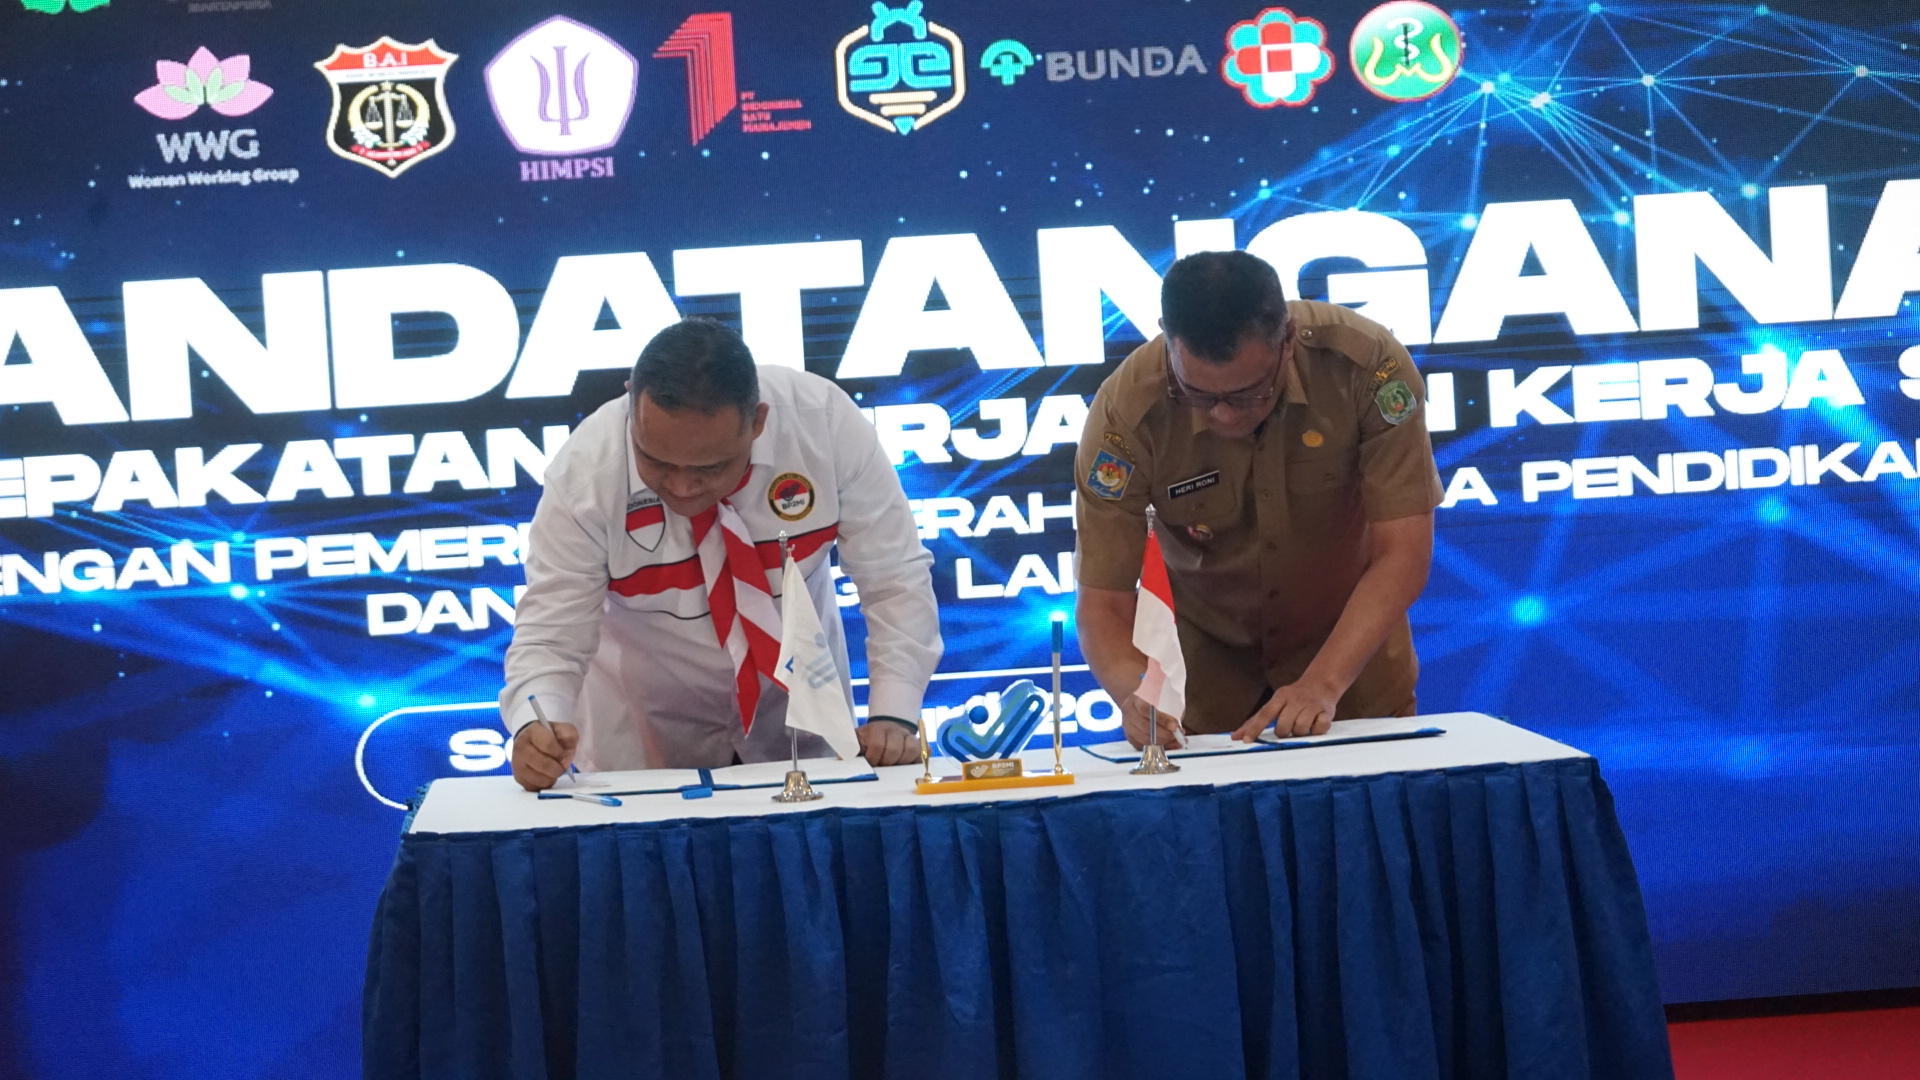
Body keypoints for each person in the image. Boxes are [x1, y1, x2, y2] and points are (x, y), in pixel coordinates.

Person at [502, 317, 941, 789]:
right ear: (631, 403)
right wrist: (536, 725)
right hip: (641, 739)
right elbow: (552, 632)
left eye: (710, 467)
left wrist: (894, 713)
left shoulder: (825, 425)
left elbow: (894, 577)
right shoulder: (584, 473)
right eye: (655, 461)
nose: (682, 486)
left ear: (758, 422)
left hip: (802, 727)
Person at [1073, 251, 1441, 747]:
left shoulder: (1367, 367)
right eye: (1199, 395)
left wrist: (1323, 683)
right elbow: (1103, 603)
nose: (1224, 415)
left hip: (1350, 654)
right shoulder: (1125, 412)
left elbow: (1403, 552)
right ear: (1167, 337)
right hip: (1202, 670)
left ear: (1287, 340)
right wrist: (1137, 692)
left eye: (1249, 394)